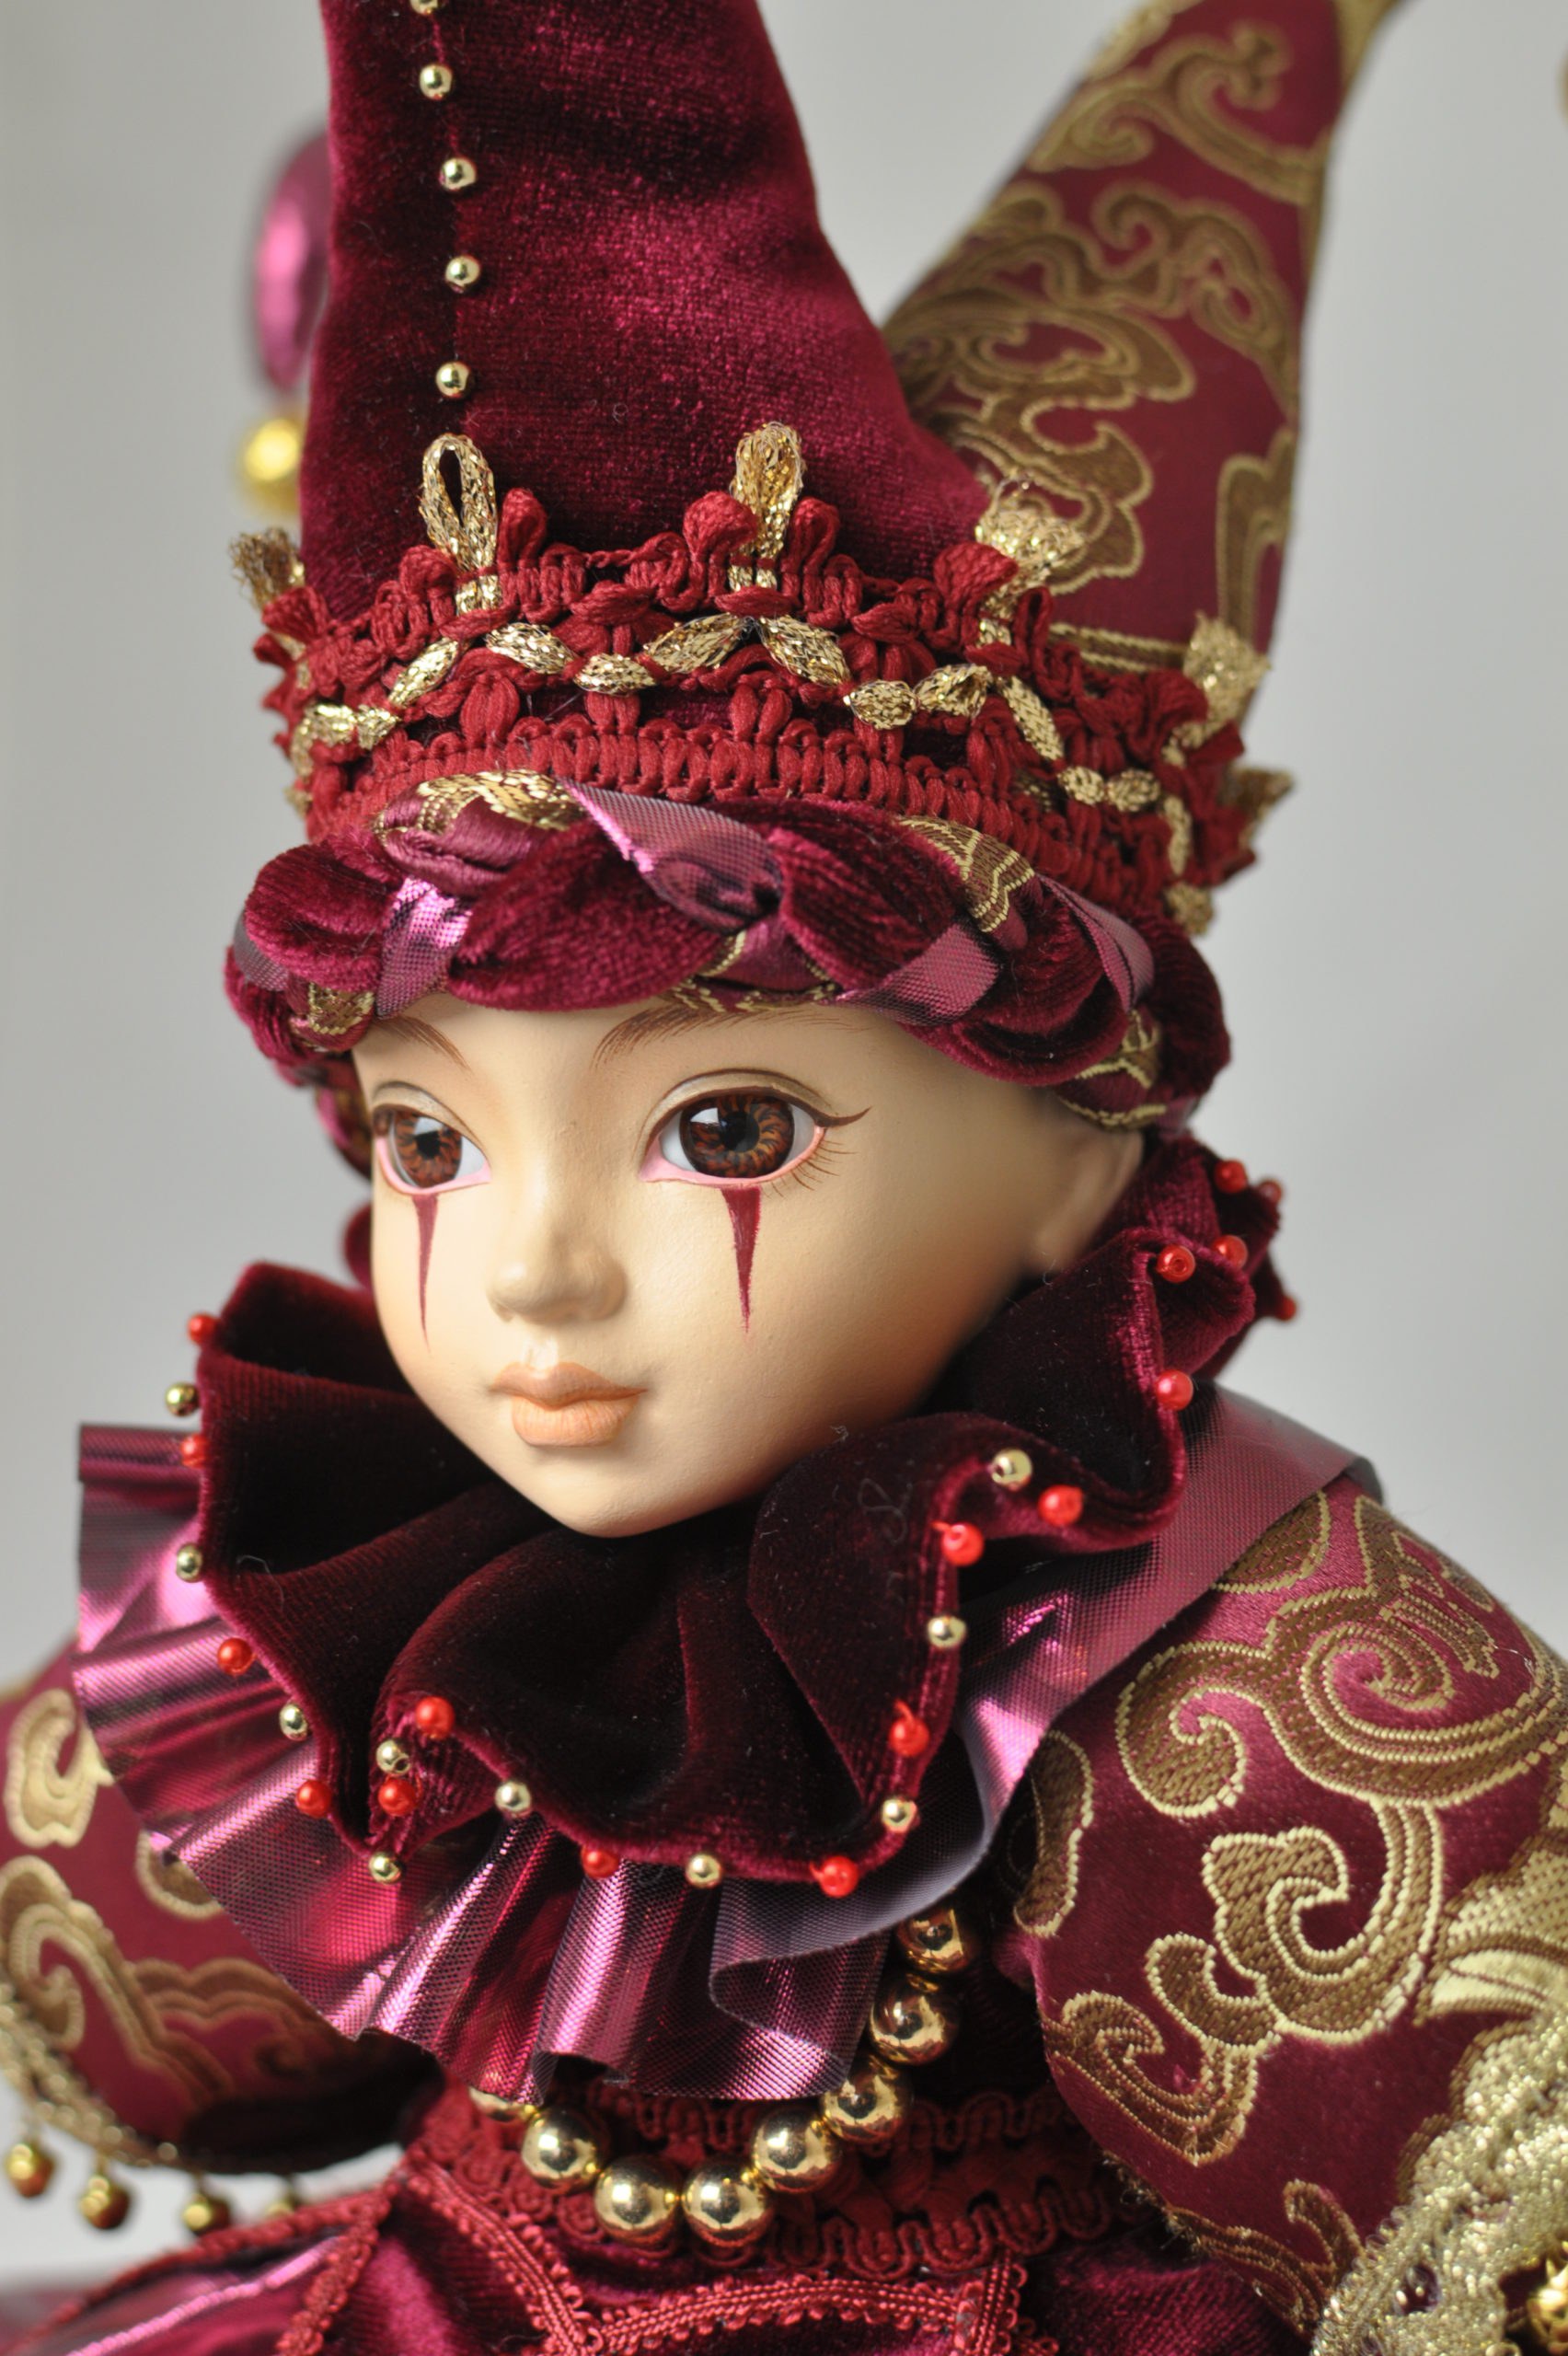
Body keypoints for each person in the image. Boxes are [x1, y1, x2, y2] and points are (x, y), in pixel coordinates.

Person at [3, 3, 1565, 2351]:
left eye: (724, 1128)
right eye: (427, 1138)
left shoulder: (1203, 1675)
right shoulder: (391, 1606)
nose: (532, 1274)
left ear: (1077, 1155)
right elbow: (145, 2006)